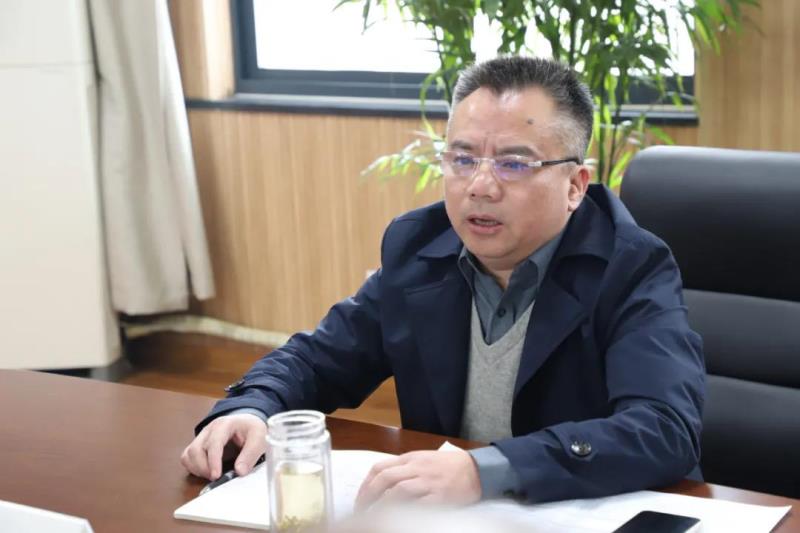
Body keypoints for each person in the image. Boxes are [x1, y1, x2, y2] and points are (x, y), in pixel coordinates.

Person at [181, 56, 704, 506]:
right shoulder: (419, 248)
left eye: (513, 164)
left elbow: (663, 429)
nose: (480, 185)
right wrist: (254, 405)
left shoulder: (631, 265)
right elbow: (319, 359)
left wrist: (487, 470)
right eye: (462, 158)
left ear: (575, 185)